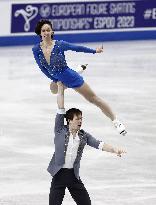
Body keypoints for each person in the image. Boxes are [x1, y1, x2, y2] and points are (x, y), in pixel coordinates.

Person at [32, 19, 127, 136]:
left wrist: (94, 51)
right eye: (43, 30)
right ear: (40, 33)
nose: (46, 32)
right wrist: (56, 80)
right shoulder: (36, 49)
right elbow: (42, 68)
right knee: (53, 89)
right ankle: (77, 71)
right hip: (57, 78)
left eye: (48, 30)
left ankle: (116, 121)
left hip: (70, 77)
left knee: (93, 99)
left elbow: (77, 48)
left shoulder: (59, 45)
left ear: (52, 32)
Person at [47, 81, 126, 205]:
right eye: (77, 119)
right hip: (59, 175)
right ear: (69, 120)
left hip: (73, 176)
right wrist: (60, 89)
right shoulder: (60, 130)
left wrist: (114, 149)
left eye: (81, 119)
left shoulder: (83, 136)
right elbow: (61, 107)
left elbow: (99, 144)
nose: (80, 121)